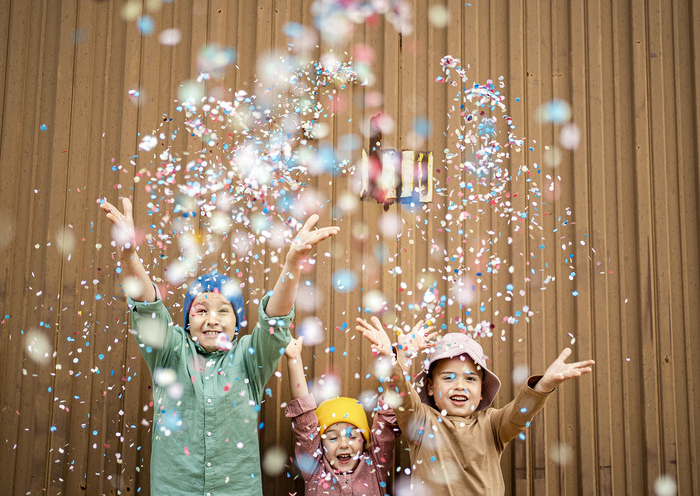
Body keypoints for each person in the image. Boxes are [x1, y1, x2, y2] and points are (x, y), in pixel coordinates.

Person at [99, 196, 339, 496]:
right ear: (187, 321)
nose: (212, 318)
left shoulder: (250, 357)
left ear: (237, 322)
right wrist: (129, 257)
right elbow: (147, 308)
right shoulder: (169, 352)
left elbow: (275, 321)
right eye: (201, 309)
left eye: (223, 310)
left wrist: (292, 264)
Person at [356, 317, 595, 495]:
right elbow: (403, 396)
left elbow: (519, 413)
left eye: (470, 379)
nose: (460, 386)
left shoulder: (492, 425)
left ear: (481, 390)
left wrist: (544, 384)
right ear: (429, 386)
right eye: (448, 377)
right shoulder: (421, 420)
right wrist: (393, 357)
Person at [283, 321, 436, 495]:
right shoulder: (315, 469)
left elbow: (389, 411)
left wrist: (398, 359)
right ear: (320, 444)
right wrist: (294, 359)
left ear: (364, 440)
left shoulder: (375, 465)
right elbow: (305, 420)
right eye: (332, 438)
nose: (344, 444)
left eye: (352, 436)